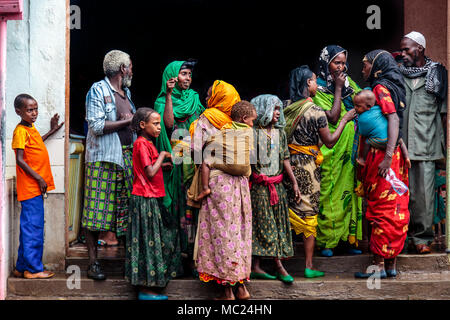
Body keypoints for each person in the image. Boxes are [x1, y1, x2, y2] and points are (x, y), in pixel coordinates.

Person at [284, 66, 356, 278]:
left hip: (287, 165)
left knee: (287, 212)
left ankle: (281, 265)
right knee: (308, 214)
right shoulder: (314, 111)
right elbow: (330, 141)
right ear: (308, 83)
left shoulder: (285, 106)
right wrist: (345, 120)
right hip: (307, 167)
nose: (317, 84)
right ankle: (308, 265)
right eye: (315, 81)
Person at [191, 81, 252, 300]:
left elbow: (196, 152)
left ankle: (227, 291)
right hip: (241, 186)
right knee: (239, 233)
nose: (207, 100)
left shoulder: (207, 120)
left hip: (218, 184)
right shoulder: (241, 124)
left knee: (220, 234)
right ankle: (242, 287)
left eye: (210, 95)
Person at [354, 49, 410, 278]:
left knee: (381, 208)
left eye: (366, 65)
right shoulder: (395, 86)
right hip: (395, 155)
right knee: (396, 207)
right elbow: (395, 122)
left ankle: (377, 266)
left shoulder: (380, 88)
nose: (363, 69)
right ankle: (391, 265)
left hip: (383, 157)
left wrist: (386, 157)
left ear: (376, 67)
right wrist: (400, 152)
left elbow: (393, 119)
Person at [82, 50, 136, 280]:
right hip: (103, 159)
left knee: (124, 210)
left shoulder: (127, 92)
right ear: (123, 69)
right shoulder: (98, 90)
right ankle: (93, 263)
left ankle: (127, 265)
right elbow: (95, 125)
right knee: (96, 211)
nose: (132, 70)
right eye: (130, 66)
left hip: (126, 157)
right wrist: (130, 120)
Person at [125, 108, 182, 300]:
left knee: (161, 236)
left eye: (159, 124)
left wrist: (162, 166)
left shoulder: (148, 143)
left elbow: (148, 169)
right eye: (155, 124)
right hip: (144, 199)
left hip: (151, 197)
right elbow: (149, 172)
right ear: (143, 125)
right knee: (148, 243)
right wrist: (162, 156)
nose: (159, 128)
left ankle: (152, 285)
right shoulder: (141, 144)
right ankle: (146, 290)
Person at [399, 31, 448, 254]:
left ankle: (421, 239)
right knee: (400, 195)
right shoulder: (398, 74)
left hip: (426, 143)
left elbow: (443, 113)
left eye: (406, 49)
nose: (403, 54)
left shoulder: (437, 73)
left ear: (419, 48)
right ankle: (401, 238)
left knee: (424, 197)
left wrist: (444, 147)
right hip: (400, 145)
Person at [312, 45, 363, 257]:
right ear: (326, 63)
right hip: (330, 149)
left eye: (343, 63)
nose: (341, 67)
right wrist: (339, 89)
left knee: (349, 191)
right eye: (336, 62)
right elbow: (331, 118)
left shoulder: (351, 85)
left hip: (350, 150)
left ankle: (347, 240)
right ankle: (327, 242)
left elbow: (365, 103)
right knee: (329, 193)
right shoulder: (318, 88)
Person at [154, 60, 204, 268]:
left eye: (189, 74)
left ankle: (193, 257)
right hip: (174, 161)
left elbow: (203, 123)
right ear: (172, 77)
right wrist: (168, 95)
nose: (188, 78)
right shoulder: (160, 102)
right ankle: (175, 256)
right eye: (183, 74)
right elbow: (168, 124)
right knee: (177, 205)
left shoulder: (194, 98)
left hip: (195, 161)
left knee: (194, 205)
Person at [249, 94, 300, 283]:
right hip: (260, 188)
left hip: (278, 186)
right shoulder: (252, 133)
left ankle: (257, 266)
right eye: (274, 109)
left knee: (278, 224)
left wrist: (294, 182)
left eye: (279, 109)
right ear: (263, 110)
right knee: (264, 225)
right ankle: (278, 266)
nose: (278, 113)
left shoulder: (281, 133)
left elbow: (285, 158)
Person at [12, 93, 64, 279]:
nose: (34, 113)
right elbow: (20, 159)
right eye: (29, 110)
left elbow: (36, 144)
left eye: (35, 109)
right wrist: (39, 178)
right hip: (31, 187)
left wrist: (51, 131)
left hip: (34, 188)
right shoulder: (20, 131)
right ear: (19, 111)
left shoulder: (29, 128)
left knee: (29, 228)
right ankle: (33, 270)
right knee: (33, 230)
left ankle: (21, 267)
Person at [196, 100, 256, 200]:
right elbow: (251, 152)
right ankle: (246, 191)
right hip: (244, 170)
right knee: (248, 162)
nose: (253, 124)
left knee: (206, 162)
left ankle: (205, 188)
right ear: (245, 118)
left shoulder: (226, 127)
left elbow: (214, 141)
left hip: (228, 166)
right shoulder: (250, 131)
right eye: (252, 120)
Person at [353, 90, 410, 167]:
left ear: (369, 106)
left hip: (381, 141)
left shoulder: (363, 118)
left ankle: (362, 159)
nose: (355, 108)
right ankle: (407, 157)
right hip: (392, 138)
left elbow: (363, 133)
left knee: (367, 142)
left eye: (358, 106)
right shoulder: (379, 108)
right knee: (400, 140)